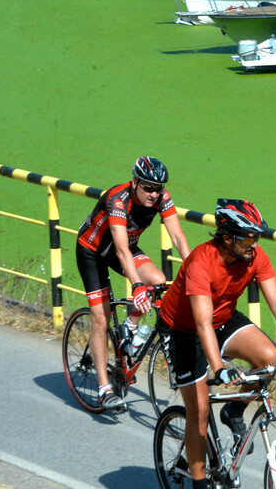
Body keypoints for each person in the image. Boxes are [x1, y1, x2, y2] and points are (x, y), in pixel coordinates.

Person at [158, 198, 276, 489]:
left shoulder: (254, 257)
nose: (253, 244)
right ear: (227, 237)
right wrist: (219, 368)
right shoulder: (201, 261)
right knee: (199, 413)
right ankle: (198, 482)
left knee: (269, 357)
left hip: (223, 319)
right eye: (246, 238)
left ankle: (234, 409)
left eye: (255, 237)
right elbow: (201, 323)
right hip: (182, 329)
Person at [75, 156, 191, 411]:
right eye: (148, 187)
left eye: (158, 189)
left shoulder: (162, 197)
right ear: (135, 182)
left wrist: (195, 270)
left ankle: (129, 327)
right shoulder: (117, 199)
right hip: (93, 252)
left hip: (124, 249)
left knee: (158, 281)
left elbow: (178, 237)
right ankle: (105, 389)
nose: (153, 194)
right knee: (101, 320)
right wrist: (137, 285)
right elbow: (120, 249)